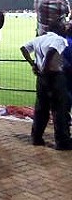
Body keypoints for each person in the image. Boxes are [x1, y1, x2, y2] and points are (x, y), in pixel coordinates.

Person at [20, 21, 72, 150]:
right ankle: (62, 142)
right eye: (63, 26)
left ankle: (36, 137)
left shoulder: (39, 39)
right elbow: (51, 51)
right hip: (55, 76)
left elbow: (24, 49)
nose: (65, 28)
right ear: (58, 29)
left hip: (41, 78)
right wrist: (44, 67)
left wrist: (33, 64)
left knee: (41, 108)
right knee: (60, 109)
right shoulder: (59, 39)